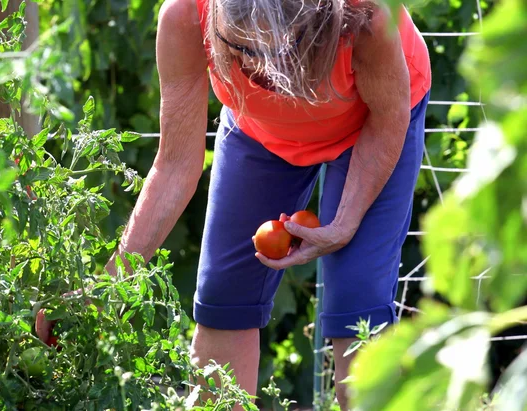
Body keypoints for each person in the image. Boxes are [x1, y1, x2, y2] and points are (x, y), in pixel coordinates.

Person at [39, 0, 431, 409]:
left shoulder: (364, 17)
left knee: (357, 308)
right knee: (224, 298)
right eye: (242, 50)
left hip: (376, 120)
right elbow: (174, 167)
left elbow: (388, 121)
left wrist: (344, 224)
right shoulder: (186, 18)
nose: (260, 69)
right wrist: (106, 288)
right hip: (260, 130)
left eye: (278, 50)